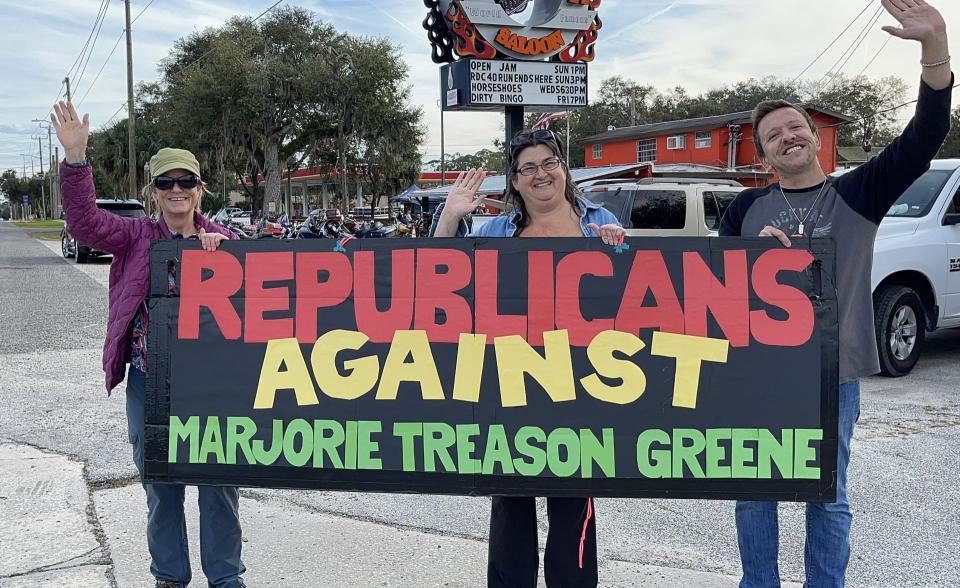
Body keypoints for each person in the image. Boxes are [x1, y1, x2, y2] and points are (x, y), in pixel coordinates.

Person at [719, 1, 952, 586]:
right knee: (754, 495)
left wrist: (935, 49)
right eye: (772, 135)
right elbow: (714, 288)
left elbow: (925, 136)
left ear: (814, 136)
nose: (787, 137)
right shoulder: (744, 208)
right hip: (758, 371)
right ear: (762, 154)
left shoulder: (861, 192)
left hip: (834, 372)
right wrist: (751, 262)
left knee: (828, 495)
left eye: (795, 126)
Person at [51, 101, 247, 588]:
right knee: (161, 484)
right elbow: (85, 225)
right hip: (149, 382)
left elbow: (268, 296)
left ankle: (226, 579)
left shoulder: (225, 241)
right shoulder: (134, 236)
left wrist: (225, 256)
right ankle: (169, 577)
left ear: (199, 189)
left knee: (219, 485)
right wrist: (77, 160)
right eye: (166, 182)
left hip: (212, 387)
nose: (176, 190)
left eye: (186, 181)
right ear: (153, 191)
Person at [433, 129, 626, 588]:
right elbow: (441, 280)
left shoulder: (599, 222)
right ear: (515, 182)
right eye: (528, 168)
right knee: (511, 503)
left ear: (563, 168)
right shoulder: (497, 230)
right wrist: (449, 220)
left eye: (549, 163)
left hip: (583, 380)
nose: (541, 174)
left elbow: (637, 298)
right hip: (510, 375)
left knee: (574, 502)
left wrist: (618, 249)